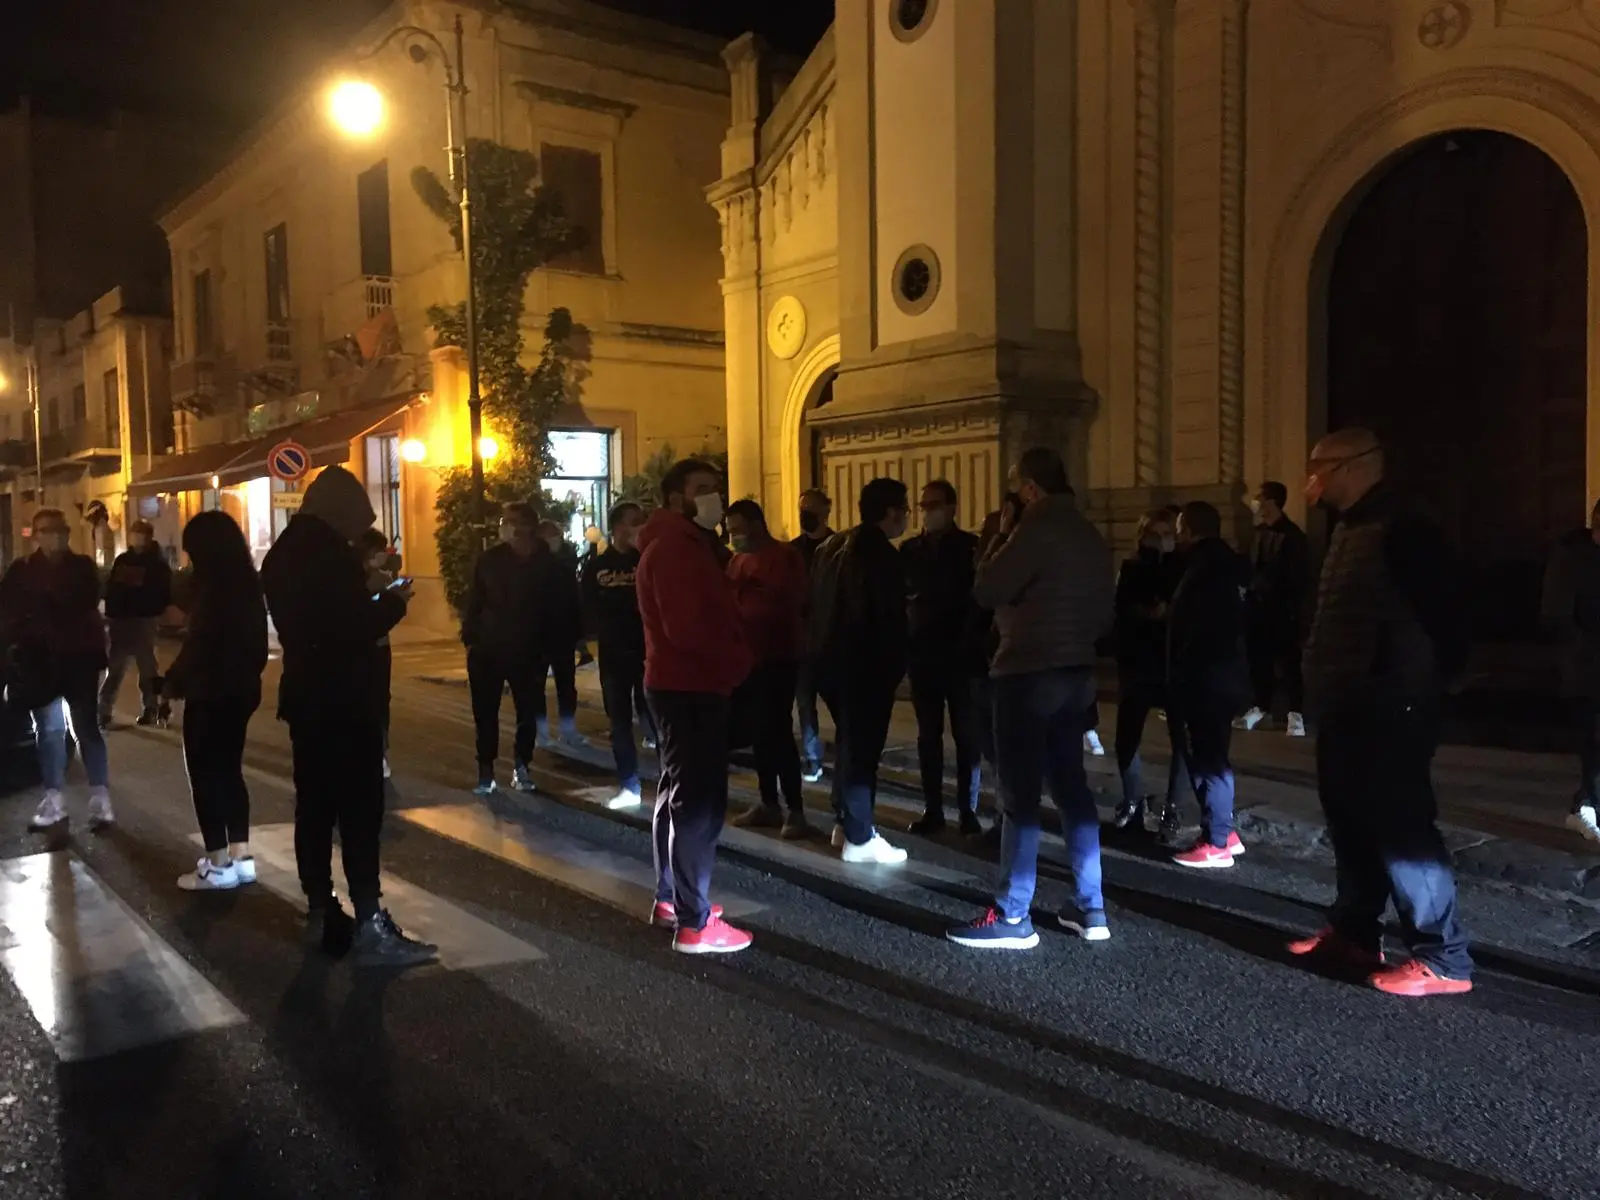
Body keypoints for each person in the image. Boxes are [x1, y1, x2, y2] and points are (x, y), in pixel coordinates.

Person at [1292, 427, 1472, 997]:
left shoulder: (1405, 527)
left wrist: (1422, 683)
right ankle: (1354, 930)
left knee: (1401, 826)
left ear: (1355, 467)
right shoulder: (1351, 528)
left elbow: (1447, 613)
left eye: (1319, 467)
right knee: (1349, 818)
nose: (1310, 479)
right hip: (1347, 702)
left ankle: (1443, 957)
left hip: (1389, 703)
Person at [260, 465, 435, 967]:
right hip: (346, 698)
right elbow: (353, 626)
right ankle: (369, 919)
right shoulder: (332, 555)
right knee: (359, 812)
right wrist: (394, 602)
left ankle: (320, 907)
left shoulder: (282, 553)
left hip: (306, 698)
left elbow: (311, 623)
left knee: (313, 808)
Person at [947, 448, 1113, 950]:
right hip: (1076, 671)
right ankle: (1091, 907)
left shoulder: (1033, 529)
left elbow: (987, 588)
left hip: (1027, 671)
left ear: (1030, 488)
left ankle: (1013, 914)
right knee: (1071, 789)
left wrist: (998, 533)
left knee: (1019, 795)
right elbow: (1106, 612)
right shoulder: (1090, 534)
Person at [636, 458, 754, 953]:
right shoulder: (677, 550)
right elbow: (689, 628)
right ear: (675, 498)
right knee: (699, 804)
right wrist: (739, 658)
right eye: (703, 489)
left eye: (716, 488)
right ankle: (694, 922)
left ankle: (676, 900)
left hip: (681, 683)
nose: (715, 498)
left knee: (677, 792)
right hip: (692, 686)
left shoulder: (681, 545)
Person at [809, 477, 912, 864]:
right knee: (862, 750)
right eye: (904, 509)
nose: (907, 517)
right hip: (863, 664)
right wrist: (896, 665)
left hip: (828, 660)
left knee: (850, 744)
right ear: (890, 512)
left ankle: (847, 822)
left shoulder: (832, 546)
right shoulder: (879, 554)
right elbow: (884, 618)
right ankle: (859, 835)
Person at [163, 511, 268, 890]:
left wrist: (172, 683)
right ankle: (241, 854)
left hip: (209, 691)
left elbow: (199, 647)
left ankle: (218, 863)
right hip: (241, 690)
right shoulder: (247, 584)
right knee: (230, 770)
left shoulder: (211, 591)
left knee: (205, 775)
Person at [2, 508, 113, 831]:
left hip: (79, 660)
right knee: (48, 732)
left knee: (86, 729)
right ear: (35, 535)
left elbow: (82, 603)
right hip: (41, 664)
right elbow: (10, 612)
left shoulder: (82, 568)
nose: (54, 536)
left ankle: (101, 801)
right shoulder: (21, 570)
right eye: (46, 530)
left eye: (59, 530)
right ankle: (54, 801)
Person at [463, 502, 574, 796]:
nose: (507, 526)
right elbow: (476, 600)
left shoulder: (549, 566)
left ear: (529, 527)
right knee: (485, 713)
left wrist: (552, 647)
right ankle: (485, 770)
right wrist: (471, 636)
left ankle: (521, 765)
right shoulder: (490, 560)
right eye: (505, 521)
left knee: (527, 712)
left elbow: (560, 608)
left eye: (514, 521)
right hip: (488, 650)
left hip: (529, 652)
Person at [1166, 501, 1251, 869]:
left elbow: (1195, 629)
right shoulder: (1228, 566)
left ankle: (1216, 839)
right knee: (1213, 754)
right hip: (1225, 675)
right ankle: (1224, 831)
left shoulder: (1204, 569)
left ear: (1190, 528)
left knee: (1206, 759)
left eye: (1180, 527)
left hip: (1203, 679)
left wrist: (1181, 675)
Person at [901, 480, 983, 836]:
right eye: (923, 505)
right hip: (924, 654)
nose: (927, 511)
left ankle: (968, 809)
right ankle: (933, 808)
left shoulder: (970, 548)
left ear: (952, 507)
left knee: (967, 736)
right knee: (928, 736)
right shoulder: (910, 550)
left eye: (934, 504)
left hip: (961, 655)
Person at [726, 498, 811, 839]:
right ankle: (768, 803)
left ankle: (796, 809)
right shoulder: (737, 560)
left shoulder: (783, 558)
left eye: (738, 529)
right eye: (730, 531)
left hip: (778, 658)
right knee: (759, 733)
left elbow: (792, 602)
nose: (733, 536)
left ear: (756, 525)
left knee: (777, 732)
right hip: (746, 659)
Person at [1110, 509, 1188, 838]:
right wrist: (1143, 613)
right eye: (1154, 535)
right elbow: (1120, 609)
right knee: (1126, 736)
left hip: (1174, 661)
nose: (1161, 541)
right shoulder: (1132, 567)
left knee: (1181, 740)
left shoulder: (1183, 567)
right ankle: (1133, 800)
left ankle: (1173, 807)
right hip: (1139, 660)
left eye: (1167, 533)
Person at [581, 501, 656, 809]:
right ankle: (629, 784)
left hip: (649, 652)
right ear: (617, 528)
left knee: (655, 717)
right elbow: (585, 605)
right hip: (614, 654)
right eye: (632, 521)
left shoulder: (648, 561)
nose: (639, 526)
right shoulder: (597, 566)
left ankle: (671, 784)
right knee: (620, 722)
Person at [1541, 499, 1600, 844]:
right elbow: (1556, 614)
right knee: (1593, 740)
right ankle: (1586, 807)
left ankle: (1587, 802)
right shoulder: (1570, 558)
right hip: (1587, 666)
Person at [1235, 481, 1310, 737]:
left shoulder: (1293, 536)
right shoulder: (1257, 533)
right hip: (1257, 610)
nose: (1256, 502)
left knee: (1289, 663)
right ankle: (1260, 707)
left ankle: (1295, 715)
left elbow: (1297, 577)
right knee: (1259, 661)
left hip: (1283, 610)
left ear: (1273, 501)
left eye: (1261, 498)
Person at [98, 518, 173, 727]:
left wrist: (152, 609)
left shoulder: (157, 564)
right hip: (121, 621)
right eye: (136, 533)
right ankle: (103, 710)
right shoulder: (123, 560)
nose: (139, 538)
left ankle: (151, 708)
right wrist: (111, 613)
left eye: (142, 534)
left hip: (143, 620)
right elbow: (112, 588)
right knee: (114, 669)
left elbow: (162, 592)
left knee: (147, 669)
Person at [791, 487, 834, 780]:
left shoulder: (838, 546)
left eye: (811, 508)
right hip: (802, 641)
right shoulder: (793, 550)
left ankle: (846, 759)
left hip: (830, 641)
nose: (805, 514)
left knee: (839, 704)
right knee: (805, 704)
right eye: (802, 508)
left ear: (825, 510)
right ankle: (812, 759)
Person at [537, 518, 584, 746]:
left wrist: (578, 634)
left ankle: (567, 729)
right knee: (538, 686)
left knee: (566, 686)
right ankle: (542, 732)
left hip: (562, 635)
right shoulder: (533, 566)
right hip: (539, 636)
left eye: (554, 535)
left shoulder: (565, 564)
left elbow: (574, 600)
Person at [356, 529, 396, 780]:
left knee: (381, 700)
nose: (382, 555)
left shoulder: (383, 577)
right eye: (378, 551)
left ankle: (380, 752)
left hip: (380, 645)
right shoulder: (349, 579)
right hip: (361, 647)